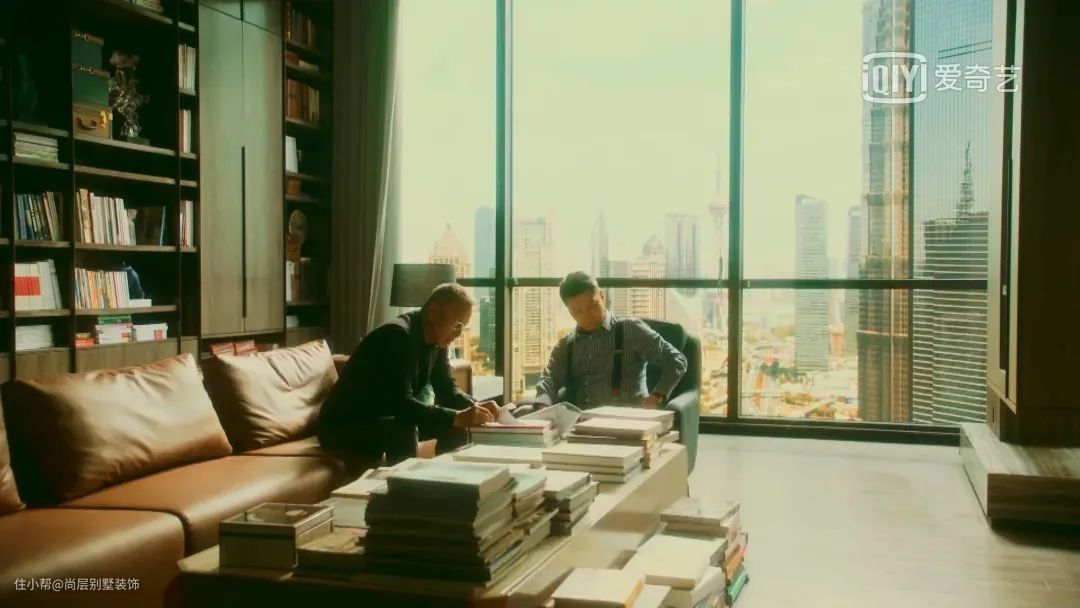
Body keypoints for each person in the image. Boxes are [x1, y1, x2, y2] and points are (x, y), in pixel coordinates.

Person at [318, 283, 498, 463]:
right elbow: (402, 405)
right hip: (344, 426)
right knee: (404, 429)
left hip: (384, 419)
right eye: (457, 325)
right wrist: (456, 416)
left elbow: (446, 390)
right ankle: (402, 481)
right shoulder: (396, 337)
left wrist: (476, 407)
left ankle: (449, 477)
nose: (458, 333)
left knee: (455, 426)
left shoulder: (437, 341)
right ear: (433, 312)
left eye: (463, 327)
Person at [531, 271, 688, 410]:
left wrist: (657, 396)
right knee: (523, 414)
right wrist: (543, 408)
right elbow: (548, 379)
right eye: (578, 311)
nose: (587, 315)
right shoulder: (565, 346)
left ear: (601, 296)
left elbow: (677, 361)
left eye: (592, 305)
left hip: (629, 422)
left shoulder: (631, 329)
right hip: (582, 425)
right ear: (570, 312)